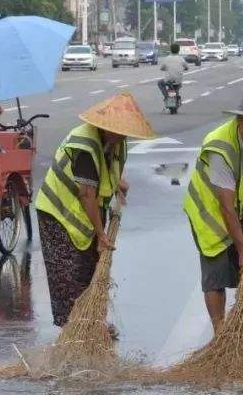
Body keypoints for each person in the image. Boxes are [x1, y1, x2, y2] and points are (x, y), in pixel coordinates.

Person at [35, 92, 156, 328]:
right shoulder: (85, 143)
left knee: (89, 268)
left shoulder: (117, 143)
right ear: (105, 125)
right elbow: (86, 193)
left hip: (85, 214)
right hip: (58, 212)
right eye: (118, 130)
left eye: (125, 132)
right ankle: (73, 329)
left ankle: (91, 323)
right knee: (68, 274)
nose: (122, 136)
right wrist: (101, 235)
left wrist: (117, 184)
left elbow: (109, 172)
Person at [182, 85, 243, 345]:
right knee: (216, 273)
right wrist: (241, 249)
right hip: (210, 215)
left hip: (242, 210)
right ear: (238, 121)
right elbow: (225, 207)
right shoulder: (219, 148)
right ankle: (221, 335)